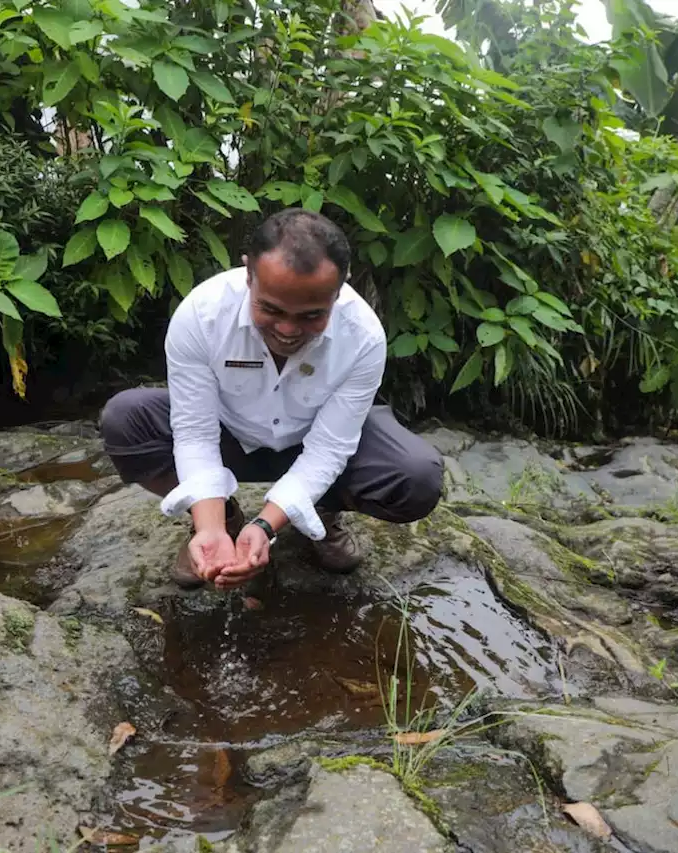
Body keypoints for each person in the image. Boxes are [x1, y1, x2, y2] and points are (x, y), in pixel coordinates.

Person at [99, 208, 444, 590]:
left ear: (341, 287)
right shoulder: (201, 315)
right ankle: (219, 517)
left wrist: (265, 525)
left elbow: (330, 447)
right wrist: (210, 527)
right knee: (125, 419)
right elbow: (195, 432)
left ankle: (316, 512)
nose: (287, 329)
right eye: (271, 309)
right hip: (230, 434)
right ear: (248, 274)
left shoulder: (363, 336)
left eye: (312, 315)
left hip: (314, 441)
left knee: (417, 475)